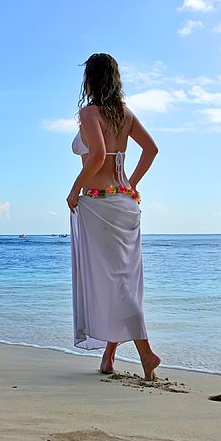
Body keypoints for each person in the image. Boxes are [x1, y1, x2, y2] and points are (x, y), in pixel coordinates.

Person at [66, 53, 161, 381]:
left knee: (116, 282)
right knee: (120, 280)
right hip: (125, 203)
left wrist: (74, 189)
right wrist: (130, 184)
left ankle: (146, 353)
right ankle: (109, 358)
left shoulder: (89, 112)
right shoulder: (125, 114)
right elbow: (151, 150)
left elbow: (96, 156)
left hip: (100, 204)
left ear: (90, 79)